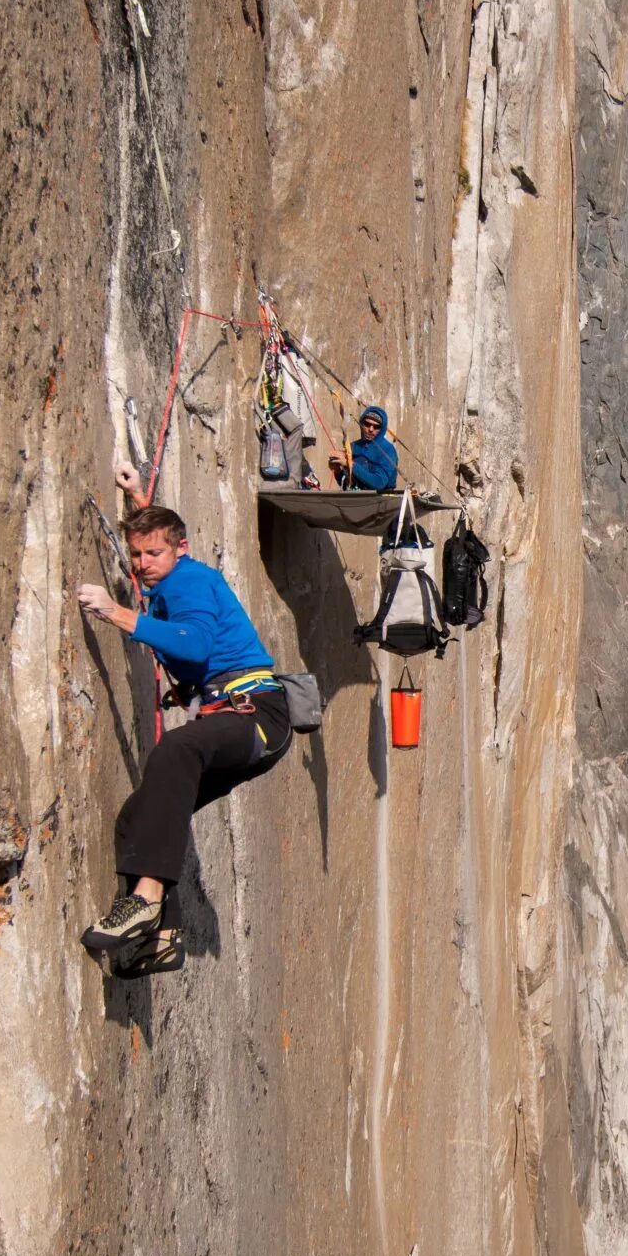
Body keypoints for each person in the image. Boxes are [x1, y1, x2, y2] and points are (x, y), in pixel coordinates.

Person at [74, 476, 291, 976]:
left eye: (152, 554)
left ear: (180, 549)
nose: (142, 564)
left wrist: (116, 614)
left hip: (256, 713)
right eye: (136, 555)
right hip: (236, 712)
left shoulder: (188, 579)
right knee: (140, 814)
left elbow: (193, 644)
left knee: (175, 750)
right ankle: (166, 938)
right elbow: (163, 547)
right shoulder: (174, 573)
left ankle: (146, 900)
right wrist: (138, 501)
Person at [329, 404, 398, 491]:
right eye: (367, 424)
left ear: (382, 429)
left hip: (380, 501)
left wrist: (350, 464)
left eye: (376, 426)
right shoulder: (353, 447)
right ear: (361, 424)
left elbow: (379, 483)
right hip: (358, 499)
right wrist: (337, 470)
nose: (371, 429)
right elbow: (348, 484)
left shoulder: (388, 450)